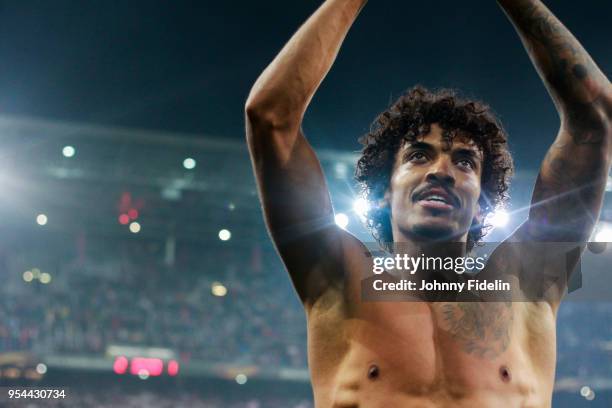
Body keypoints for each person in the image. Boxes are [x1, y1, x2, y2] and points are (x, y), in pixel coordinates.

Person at [244, 0, 611, 406]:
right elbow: (269, 115)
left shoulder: (526, 286)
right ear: (385, 189)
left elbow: (595, 117)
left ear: (483, 202)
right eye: (419, 155)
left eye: (464, 161)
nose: (442, 170)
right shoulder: (337, 280)